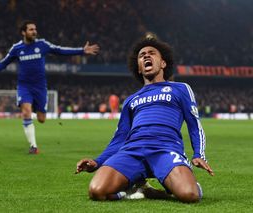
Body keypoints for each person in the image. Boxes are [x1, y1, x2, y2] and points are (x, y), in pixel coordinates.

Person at [76, 33, 214, 203]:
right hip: (132, 151)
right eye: (142, 55)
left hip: (165, 149)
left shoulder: (180, 89)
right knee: (96, 191)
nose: (146, 56)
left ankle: (176, 186)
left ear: (163, 63)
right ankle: (136, 190)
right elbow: (120, 137)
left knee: (189, 195)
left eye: (151, 53)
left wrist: (199, 153)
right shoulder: (131, 100)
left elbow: (194, 124)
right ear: (139, 68)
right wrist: (97, 162)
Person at [0, 20, 99, 154]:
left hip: (40, 87)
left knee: (41, 119)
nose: (34, 31)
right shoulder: (16, 48)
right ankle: (33, 146)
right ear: (23, 32)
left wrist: (81, 51)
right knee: (26, 112)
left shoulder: (42, 44)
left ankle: (31, 106)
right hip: (24, 86)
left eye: (35, 29)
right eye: (31, 29)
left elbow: (60, 50)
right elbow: (3, 63)